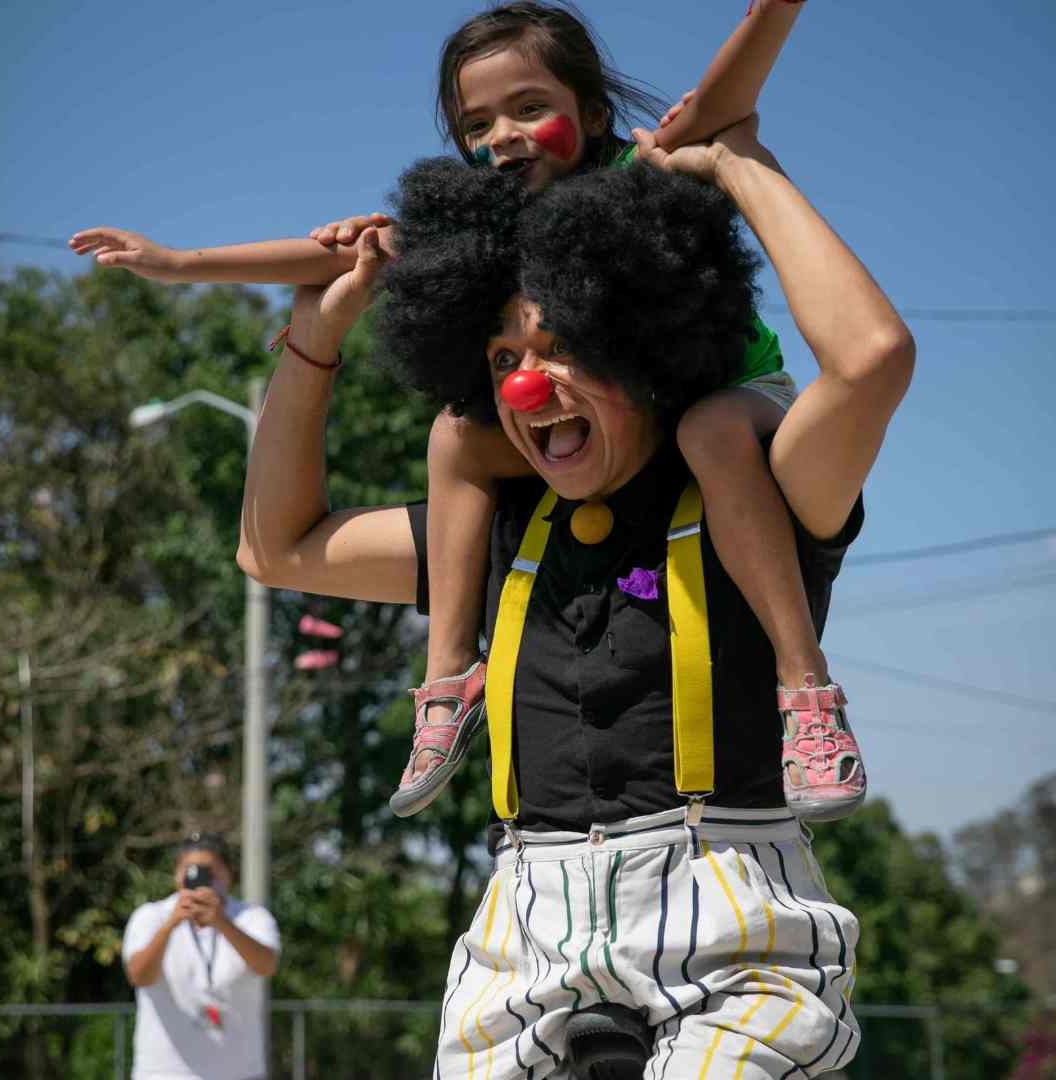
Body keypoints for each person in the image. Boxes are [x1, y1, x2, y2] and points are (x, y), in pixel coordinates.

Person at [235, 111, 914, 1076]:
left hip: (730, 928)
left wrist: (738, 164)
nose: (523, 387)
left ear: (638, 347)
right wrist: (313, 342)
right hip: (524, 937)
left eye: (557, 349)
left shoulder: (755, 493)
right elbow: (277, 548)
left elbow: (872, 359)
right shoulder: (498, 537)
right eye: (502, 360)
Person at [69, 1, 864, 823]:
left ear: (592, 113)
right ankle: (449, 678)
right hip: (620, 441)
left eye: (529, 108)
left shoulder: (641, 170)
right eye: (476, 124)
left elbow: (721, 103)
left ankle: (804, 688)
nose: (502, 138)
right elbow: (344, 257)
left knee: (710, 431)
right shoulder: (487, 224)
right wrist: (180, 264)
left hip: (726, 409)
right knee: (456, 432)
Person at [122, 832, 280, 1080]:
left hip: (238, 1073)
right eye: (190, 870)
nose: (199, 879)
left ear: (228, 874)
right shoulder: (151, 917)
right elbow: (139, 976)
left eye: (209, 872)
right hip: (165, 1073)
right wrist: (171, 924)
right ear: (177, 874)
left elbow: (266, 966)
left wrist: (222, 922)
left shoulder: (252, 918)